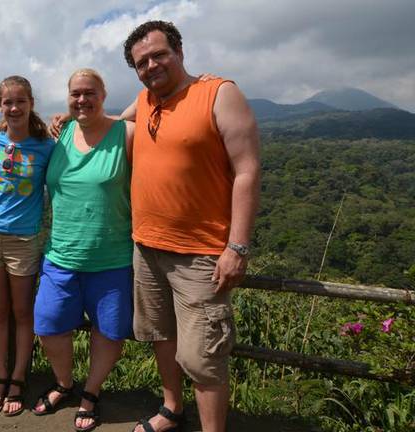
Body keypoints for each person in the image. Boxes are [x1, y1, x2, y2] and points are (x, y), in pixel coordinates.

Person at [123, 21, 261, 432]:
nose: (151, 65)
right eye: (141, 62)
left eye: (158, 55)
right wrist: (66, 120)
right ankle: (171, 408)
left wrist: (236, 247)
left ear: (179, 51)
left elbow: (248, 172)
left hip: (201, 253)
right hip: (147, 247)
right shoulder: (145, 99)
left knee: (204, 356)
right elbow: (111, 122)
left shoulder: (219, 93)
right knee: (160, 336)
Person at [31, 69, 135, 432]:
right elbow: (16, 132)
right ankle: (64, 383)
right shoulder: (57, 134)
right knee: (48, 325)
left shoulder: (127, 134)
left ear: (104, 94)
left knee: (109, 332)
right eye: (75, 93)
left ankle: (90, 393)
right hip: (61, 255)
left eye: (90, 93)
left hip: (112, 258)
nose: (82, 100)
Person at [0, 76, 55, 416]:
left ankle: (19, 378)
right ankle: (0, 376)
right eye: (8, 102)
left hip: (25, 239)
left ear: (31, 102)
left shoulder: (46, 145)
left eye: (21, 101)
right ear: (0, 105)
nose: (15, 107)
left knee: (22, 313)